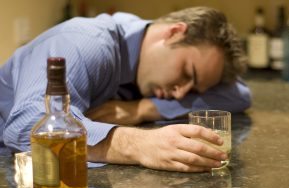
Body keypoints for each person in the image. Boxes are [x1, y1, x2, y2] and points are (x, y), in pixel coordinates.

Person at [0, 7, 251, 172]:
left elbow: (238, 95)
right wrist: (137, 144)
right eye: (187, 73)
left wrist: (143, 108)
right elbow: (28, 124)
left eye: (194, 88)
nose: (180, 93)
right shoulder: (87, 43)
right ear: (175, 32)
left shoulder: (149, 59)